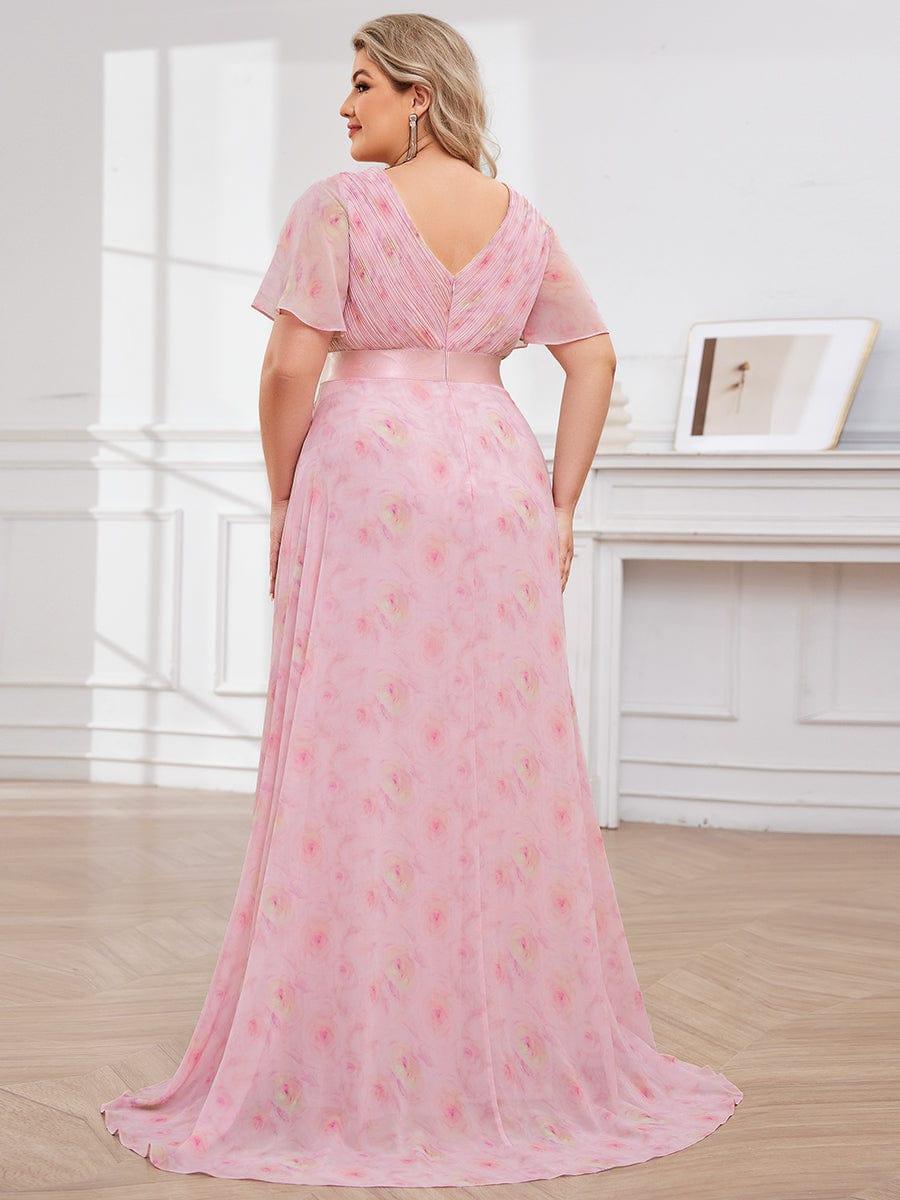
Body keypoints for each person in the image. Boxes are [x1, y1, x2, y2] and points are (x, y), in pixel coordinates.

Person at [99, 13, 742, 1188]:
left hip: (371, 479)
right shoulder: (519, 218)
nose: (344, 106)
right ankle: (495, 1045)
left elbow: (290, 367)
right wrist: (559, 505)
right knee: (493, 761)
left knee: (355, 757)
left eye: (363, 84)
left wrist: (281, 494)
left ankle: (363, 1041)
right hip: (493, 478)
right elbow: (593, 358)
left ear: (419, 97)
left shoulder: (340, 208)